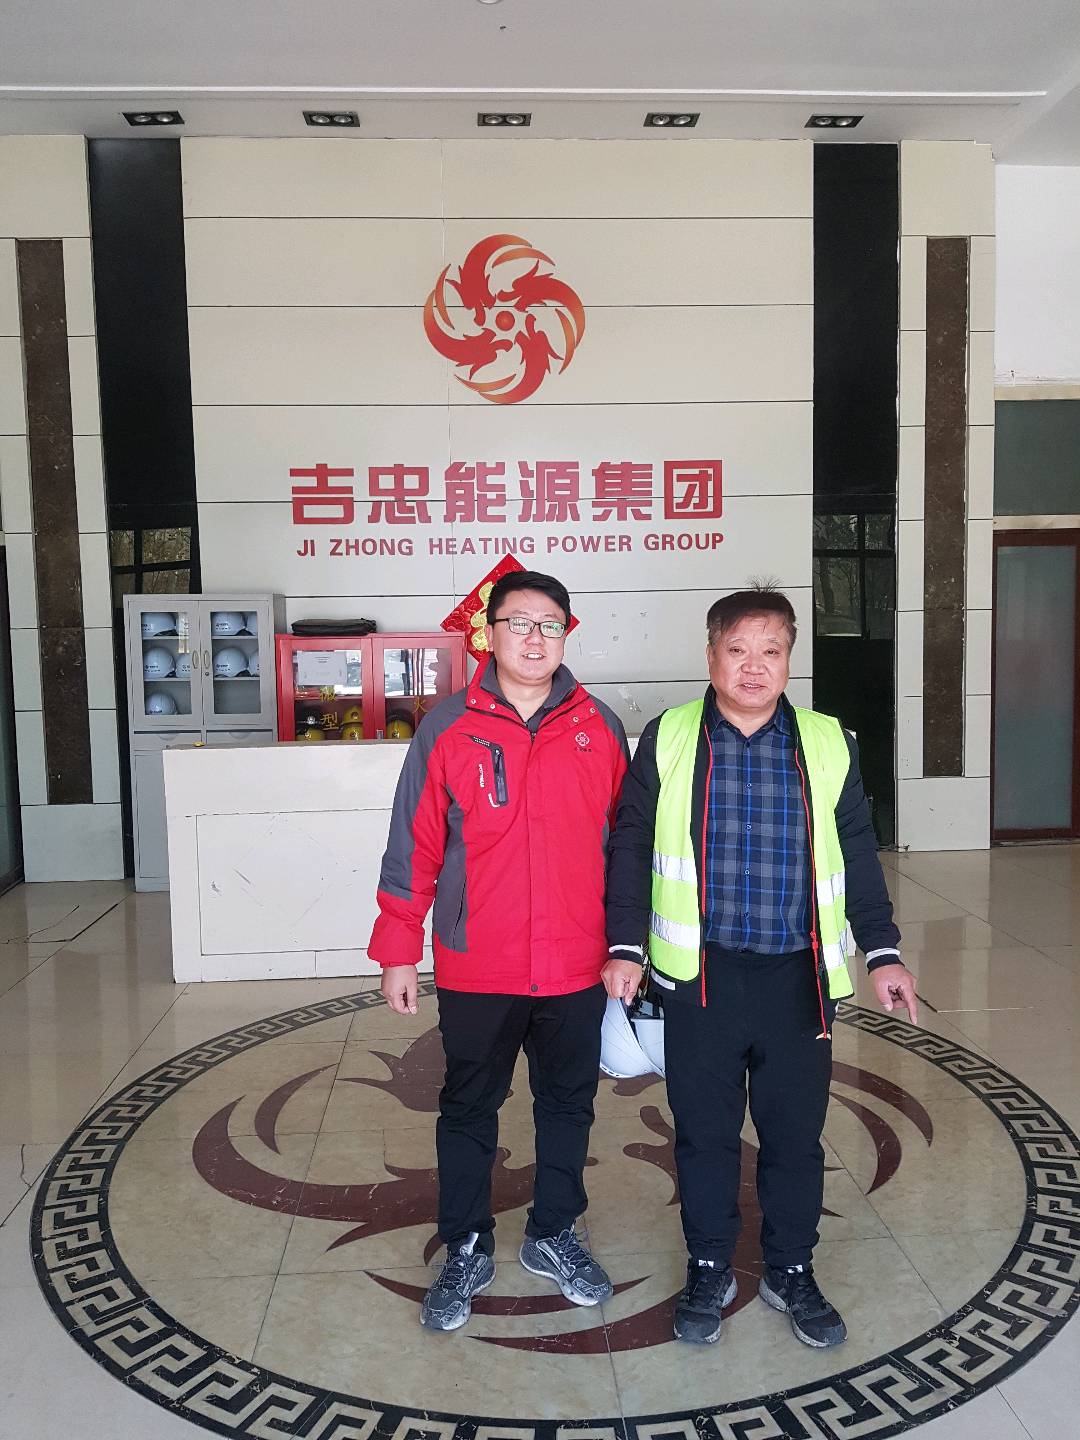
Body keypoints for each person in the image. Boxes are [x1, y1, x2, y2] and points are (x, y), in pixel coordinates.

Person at [602, 584, 916, 1349]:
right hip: (701, 979)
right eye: (737, 649)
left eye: (770, 650)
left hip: (798, 982)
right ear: (711, 655)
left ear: (789, 658)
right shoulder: (670, 736)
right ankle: (709, 1266)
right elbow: (632, 842)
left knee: (794, 1137)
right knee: (704, 1137)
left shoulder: (829, 742)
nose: (753, 666)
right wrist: (625, 944)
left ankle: (791, 1270)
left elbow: (858, 852)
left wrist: (882, 950)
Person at [371, 570, 630, 1332]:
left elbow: (629, 847)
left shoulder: (598, 726)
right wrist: (398, 948)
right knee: (468, 1105)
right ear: (490, 632)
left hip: (576, 963)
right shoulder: (449, 727)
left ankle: (553, 1231)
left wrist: (628, 946)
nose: (534, 637)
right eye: (519, 622)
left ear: (566, 635)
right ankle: (466, 1244)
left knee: (567, 1104)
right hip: (479, 961)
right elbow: (414, 843)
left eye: (550, 624)